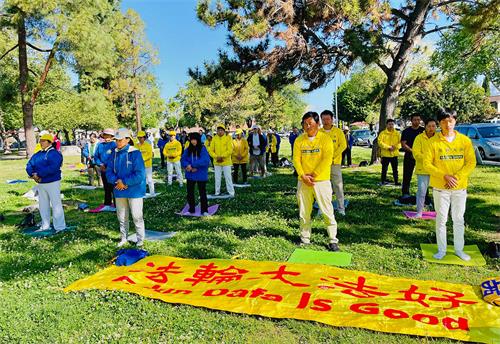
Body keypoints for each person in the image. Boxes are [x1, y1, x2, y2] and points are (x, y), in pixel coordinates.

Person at [423, 109, 476, 261]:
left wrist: (457, 177)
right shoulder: (433, 142)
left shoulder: (464, 140)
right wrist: (444, 176)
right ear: (439, 123)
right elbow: (427, 164)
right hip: (441, 188)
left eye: (450, 121)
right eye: (444, 121)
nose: (448, 124)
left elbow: (470, 162)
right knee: (441, 219)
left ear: (455, 122)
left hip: (460, 187)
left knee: (458, 218)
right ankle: (442, 250)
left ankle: (459, 249)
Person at [294, 112, 339, 251]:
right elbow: (296, 159)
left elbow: (327, 159)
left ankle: (332, 239)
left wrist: (313, 175)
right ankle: (305, 238)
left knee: (327, 210)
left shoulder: (325, 139)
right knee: (304, 211)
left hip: (321, 181)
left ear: (317, 124)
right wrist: (303, 175)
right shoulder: (299, 140)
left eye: (310, 123)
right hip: (303, 181)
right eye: (305, 124)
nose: (308, 126)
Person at [106, 128, 146, 247]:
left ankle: (140, 240)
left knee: (137, 216)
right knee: (122, 216)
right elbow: (109, 172)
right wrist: (116, 181)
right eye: (116, 140)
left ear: (128, 139)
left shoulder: (135, 153)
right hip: (119, 190)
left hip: (134, 191)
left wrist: (124, 182)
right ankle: (124, 238)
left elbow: (140, 174)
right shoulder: (113, 153)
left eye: (120, 140)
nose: (118, 142)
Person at [25, 133, 66, 232]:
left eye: (43, 141)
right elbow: (29, 165)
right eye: (40, 141)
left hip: (52, 182)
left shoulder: (54, 153)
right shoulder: (38, 154)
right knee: (43, 205)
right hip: (41, 183)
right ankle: (45, 225)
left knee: (56, 205)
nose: (41, 142)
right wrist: (33, 174)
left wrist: (39, 174)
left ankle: (60, 226)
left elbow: (53, 167)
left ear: (49, 142)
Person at [320, 110, 348, 215]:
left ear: (332, 120)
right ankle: (322, 208)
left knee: (338, 186)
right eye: (323, 119)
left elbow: (343, 145)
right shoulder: (319, 132)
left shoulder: (338, 132)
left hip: (335, 163)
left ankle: (341, 208)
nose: (326, 121)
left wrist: (333, 155)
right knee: (323, 186)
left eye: (328, 119)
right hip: (322, 164)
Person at [181, 132, 211, 215]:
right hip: (190, 174)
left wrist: (194, 166)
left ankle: (204, 210)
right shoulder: (188, 149)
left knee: (202, 193)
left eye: (195, 140)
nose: (193, 142)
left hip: (200, 174)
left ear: (198, 140)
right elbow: (183, 159)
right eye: (192, 140)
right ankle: (191, 209)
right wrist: (188, 166)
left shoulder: (202, 148)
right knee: (190, 193)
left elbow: (205, 160)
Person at [412, 118, 437, 218]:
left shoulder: (439, 138)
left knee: (438, 192)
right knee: (422, 191)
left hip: (437, 170)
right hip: (422, 169)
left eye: (433, 126)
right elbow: (416, 154)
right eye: (429, 126)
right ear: (425, 127)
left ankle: (440, 212)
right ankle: (419, 212)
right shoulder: (419, 138)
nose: (431, 128)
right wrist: (429, 158)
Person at [401, 115, 425, 197]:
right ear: (411, 121)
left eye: (418, 119)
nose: (417, 121)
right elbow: (403, 144)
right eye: (415, 120)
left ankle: (424, 194)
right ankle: (405, 193)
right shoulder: (406, 131)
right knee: (407, 175)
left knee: (423, 176)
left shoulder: (423, 130)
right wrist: (413, 152)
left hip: (421, 157)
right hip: (409, 155)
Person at [208, 124, 234, 197]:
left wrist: (222, 156)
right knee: (217, 178)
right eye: (218, 130)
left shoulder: (228, 138)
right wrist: (216, 157)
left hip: (226, 162)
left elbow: (230, 150)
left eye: (221, 130)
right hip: (217, 162)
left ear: (224, 131)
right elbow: (210, 150)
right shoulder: (214, 139)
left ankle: (231, 193)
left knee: (228, 177)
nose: (220, 131)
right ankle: (217, 192)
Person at [94, 128, 117, 210]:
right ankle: (107, 203)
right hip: (103, 168)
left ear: (112, 136)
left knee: (113, 186)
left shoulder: (114, 145)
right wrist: (100, 164)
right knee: (106, 187)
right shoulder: (100, 145)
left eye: (109, 136)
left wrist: (108, 166)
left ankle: (116, 204)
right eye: (106, 136)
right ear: (103, 136)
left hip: (112, 169)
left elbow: (115, 157)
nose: (107, 138)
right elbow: (96, 157)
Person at [378, 119, 401, 185]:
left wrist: (395, 147)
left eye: (392, 124)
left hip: (394, 154)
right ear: (386, 125)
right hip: (385, 155)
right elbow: (380, 142)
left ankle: (396, 181)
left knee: (395, 169)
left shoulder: (397, 133)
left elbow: (401, 143)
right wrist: (388, 147)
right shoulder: (382, 133)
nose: (391, 126)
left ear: (394, 125)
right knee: (384, 169)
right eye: (389, 124)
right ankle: (382, 181)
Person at [137, 130, 155, 195]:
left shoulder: (148, 145)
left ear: (144, 137)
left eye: (141, 137)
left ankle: (152, 193)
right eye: (139, 137)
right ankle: (142, 193)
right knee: (141, 179)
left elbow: (150, 155)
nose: (140, 139)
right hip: (139, 165)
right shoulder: (136, 146)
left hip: (147, 165)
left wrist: (142, 159)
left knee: (149, 179)